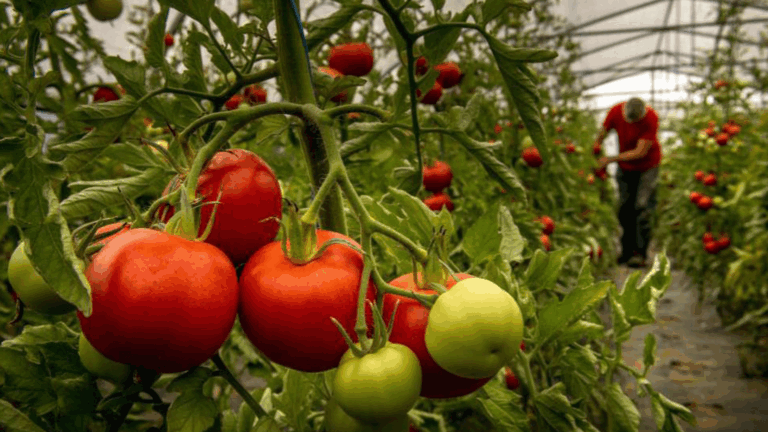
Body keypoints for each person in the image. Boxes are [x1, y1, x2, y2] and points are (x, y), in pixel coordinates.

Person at [594, 97, 662, 268]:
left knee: (642, 206)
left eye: (636, 120)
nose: (632, 123)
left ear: (643, 113)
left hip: (648, 166)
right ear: (624, 112)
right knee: (625, 207)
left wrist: (610, 159)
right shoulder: (616, 111)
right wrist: (595, 150)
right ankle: (626, 252)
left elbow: (640, 152)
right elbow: (602, 133)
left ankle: (640, 254)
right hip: (625, 167)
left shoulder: (651, 118)